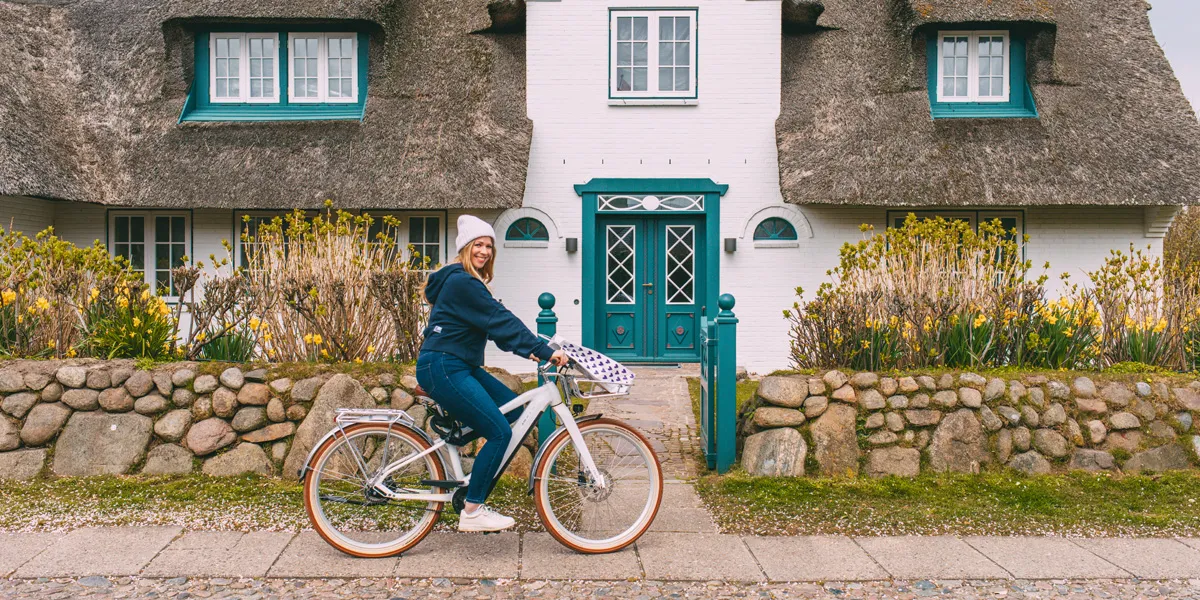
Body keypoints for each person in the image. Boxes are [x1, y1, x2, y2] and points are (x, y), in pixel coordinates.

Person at [416, 214, 568, 532]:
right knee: (500, 432)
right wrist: (543, 351)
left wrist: (529, 349)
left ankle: (459, 441)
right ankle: (472, 511)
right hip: (444, 366)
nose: (484, 251)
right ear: (465, 247)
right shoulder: (462, 281)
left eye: (489, 246)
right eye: (478, 244)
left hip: (456, 365)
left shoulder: (466, 282)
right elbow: (500, 318)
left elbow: (495, 328)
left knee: (516, 412)